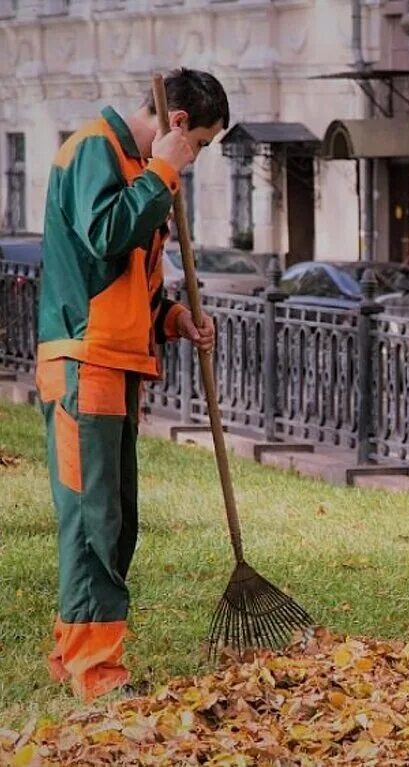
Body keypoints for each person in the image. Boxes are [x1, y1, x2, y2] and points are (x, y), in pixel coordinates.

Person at [35, 68, 229, 702]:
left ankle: (74, 654)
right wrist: (164, 173)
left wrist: (175, 320)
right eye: (198, 143)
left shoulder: (138, 173)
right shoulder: (96, 148)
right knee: (95, 521)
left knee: (114, 522)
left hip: (114, 365)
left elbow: (129, 284)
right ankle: (98, 672)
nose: (194, 159)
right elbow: (104, 234)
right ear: (176, 123)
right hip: (83, 363)